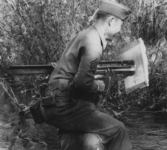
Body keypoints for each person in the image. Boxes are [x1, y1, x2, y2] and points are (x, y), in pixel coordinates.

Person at [40, 0, 132, 150]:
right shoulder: (94, 43)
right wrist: (99, 86)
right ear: (111, 21)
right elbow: (83, 84)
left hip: (52, 103)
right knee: (118, 130)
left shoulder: (84, 35)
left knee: (89, 140)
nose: (120, 30)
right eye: (120, 25)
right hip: (63, 105)